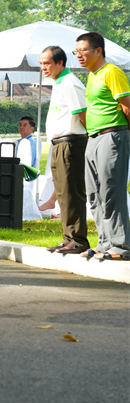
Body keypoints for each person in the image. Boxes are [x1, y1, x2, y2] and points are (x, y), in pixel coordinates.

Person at [76, 31, 130, 261]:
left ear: (98, 51)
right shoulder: (91, 75)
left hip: (113, 135)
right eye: (76, 52)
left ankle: (121, 246)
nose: (79, 55)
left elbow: (127, 106)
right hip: (94, 137)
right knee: (94, 193)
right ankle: (104, 242)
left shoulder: (112, 72)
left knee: (111, 190)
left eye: (83, 50)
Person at [39, 46, 88, 254]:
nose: (44, 68)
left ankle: (78, 240)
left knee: (72, 193)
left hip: (72, 142)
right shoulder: (59, 83)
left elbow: (83, 114)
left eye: (47, 63)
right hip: (59, 143)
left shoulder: (69, 83)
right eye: (41, 64)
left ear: (60, 63)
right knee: (62, 192)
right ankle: (68, 238)